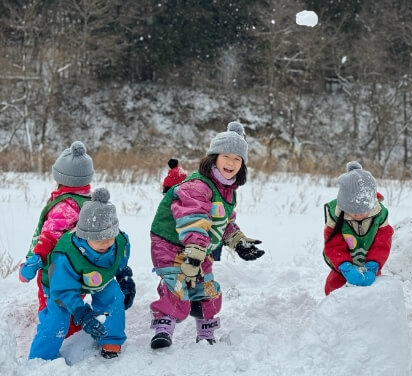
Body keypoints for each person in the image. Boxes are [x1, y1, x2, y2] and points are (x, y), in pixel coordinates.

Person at [149, 121, 264, 349]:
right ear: (213, 158)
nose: (231, 163)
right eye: (226, 157)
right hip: (171, 244)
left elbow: (223, 221)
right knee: (177, 283)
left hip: (200, 249)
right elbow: (193, 220)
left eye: (237, 159)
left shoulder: (227, 190)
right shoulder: (197, 186)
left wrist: (238, 241)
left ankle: (206, 330)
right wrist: (193, 254)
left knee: (208, 289)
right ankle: (164, 326)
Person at [28, 188, 135, 360]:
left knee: (113, 295)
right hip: (60, 285)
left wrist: (125, 278)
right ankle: (41, 358)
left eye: (109, 237)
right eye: (98, 239)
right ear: (84, 236)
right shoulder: (67, 254)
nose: (106, 243)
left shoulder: (120, 241)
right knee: (58, 321)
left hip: (97, 278)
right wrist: (83, 314)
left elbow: (120, 259)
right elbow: (63, 290)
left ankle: (111, 338)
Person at [19, 140, 94, 337]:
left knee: (51, 299)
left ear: (62, 178)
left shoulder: (65, 206)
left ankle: (55, 331)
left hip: (54, 266)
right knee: (72, 295)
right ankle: (73, 326)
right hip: (79, 264)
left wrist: (35, 260)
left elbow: (50, 237)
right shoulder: (89, 201)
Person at [322, 161, 394, 296]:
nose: (358, 215)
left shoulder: (379, 216)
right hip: (343, 265)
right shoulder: (336, 216)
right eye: (353, 211)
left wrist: (373, 265)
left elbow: (382, 244)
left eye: (362, 211)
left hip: (370, 264)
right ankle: (333, 313)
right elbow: (333, 244)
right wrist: (345, 267)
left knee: (372, 293)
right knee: (334, 288)